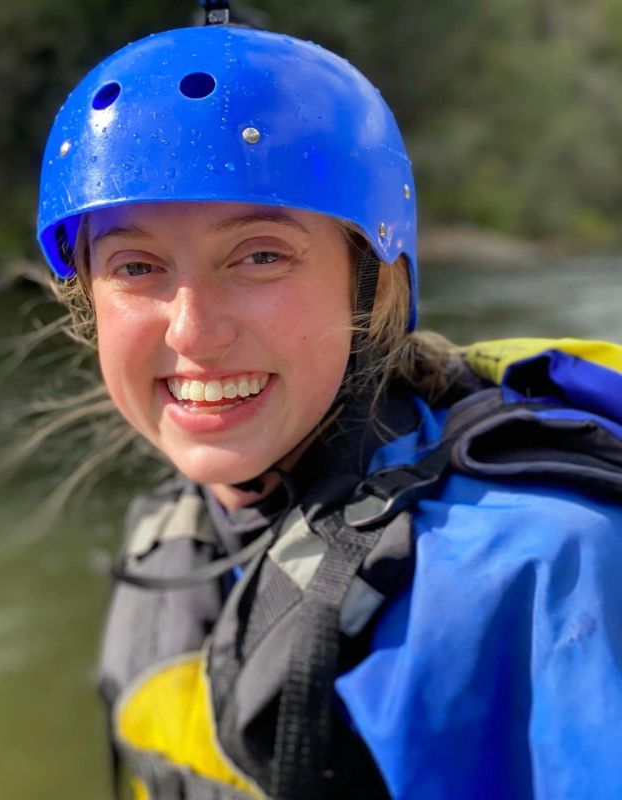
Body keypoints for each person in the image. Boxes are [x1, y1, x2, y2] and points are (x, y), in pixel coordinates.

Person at [35, 7, 622, 799]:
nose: (194, 332)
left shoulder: (551, 565)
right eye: (135, 268)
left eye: (261, 255)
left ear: (374, 281)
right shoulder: (178, 530)